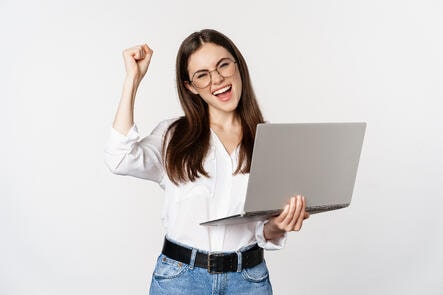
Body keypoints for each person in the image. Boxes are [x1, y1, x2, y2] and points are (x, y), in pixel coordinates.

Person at [105, 29, 309, 295]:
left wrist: (278, 226)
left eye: (223, 65)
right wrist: (132, 79)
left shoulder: (270, 141)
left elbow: (262, 230)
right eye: (202, 75)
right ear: (191, 86)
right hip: (180, 280)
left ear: (238, 65)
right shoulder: (172, 136)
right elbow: (119, 158)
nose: (217, 80)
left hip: (248, 281)